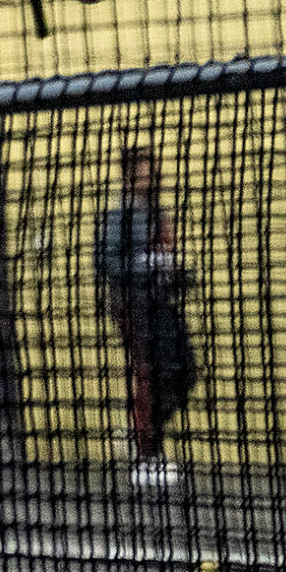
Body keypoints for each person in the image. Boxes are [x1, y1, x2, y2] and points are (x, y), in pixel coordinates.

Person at [95, 145, 195, 490]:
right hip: (132, 305)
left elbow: (167, 256)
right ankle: (146, 456)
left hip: (160, 302)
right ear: (127, 175)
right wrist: (144, 265)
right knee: (150, 373)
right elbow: (106, 263)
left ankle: (139, 433)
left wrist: (178, 272)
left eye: (151, 170)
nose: (147, 177)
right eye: (140, 171)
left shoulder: (157, 212)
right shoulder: (119, 215)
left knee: (183, 371)